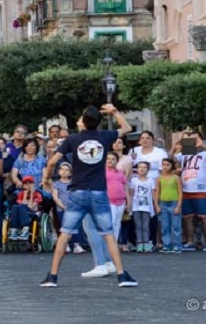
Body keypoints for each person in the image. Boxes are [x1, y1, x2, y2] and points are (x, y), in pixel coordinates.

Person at [40, 103, 137, 288]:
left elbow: (52, 160)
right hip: (99, 191)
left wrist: (47, 178)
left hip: (77, 192)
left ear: (83, 122)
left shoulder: (73, 139)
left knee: (65, 234)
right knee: (108, 234)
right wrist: (114, 112)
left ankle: (52, 276)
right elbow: (127, 128)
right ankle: (121, 275)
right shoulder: (104, 136)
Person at [171, 129, 206, 252]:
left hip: (201, 189)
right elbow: (170, 160)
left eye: (195, 139)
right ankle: (190, 241)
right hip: (186, 189)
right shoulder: (184, 154)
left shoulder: (203, 154)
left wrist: (201, 144)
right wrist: (176, 144)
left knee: (204, 217)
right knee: (188, 217)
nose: (193, 142)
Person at [51, 162, 84, 254]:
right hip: (61, 209)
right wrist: (62, 206)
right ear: (59, 171)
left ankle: (76, 244)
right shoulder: (56, 184)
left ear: (70, 173)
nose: (64, 172)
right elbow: (55, 197)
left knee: (75, 226)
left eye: (67, 170)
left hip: (73, 208)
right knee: (64, 226)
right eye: (62, 169)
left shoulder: (73, 183)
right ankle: (66, 245)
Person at [129, 161, 159, 252]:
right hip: (136, 206)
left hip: (147, 206)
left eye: (144, 167)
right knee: (138, 225)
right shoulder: (134, 180)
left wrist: (155, 204)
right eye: (140, 167)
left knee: (146, 225)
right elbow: (131, 193)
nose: (142, 169)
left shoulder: (150, 180)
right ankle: (139, 243)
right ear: (137, 169)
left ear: (148, 169)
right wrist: (130, 205)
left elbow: (153, 194)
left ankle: (146, 243)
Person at [156, 158, 183, 254]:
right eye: (163, 165)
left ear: (172, 166)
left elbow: (180, 192)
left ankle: (177, 245)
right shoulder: (159, 178)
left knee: (176, 225)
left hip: (174, 202)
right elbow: (157, 192)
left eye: (167, 165)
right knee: (165, 225)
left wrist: (178, 206)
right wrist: (157, 205)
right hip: (163, 203)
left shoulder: (176, 178)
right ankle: (166, 245)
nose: (165, 167)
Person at [105, 152, 129, 251]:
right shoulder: (103, 172)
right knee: (111, 221)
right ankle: (108, 243)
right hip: (109, 200)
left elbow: (125, 186)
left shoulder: (120, 172)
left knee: (117, 222)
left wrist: (128, 200)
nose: (110, 161)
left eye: (113, 159)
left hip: (121, 201)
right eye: (108, 159)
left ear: (117, 161)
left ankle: (114, 242)